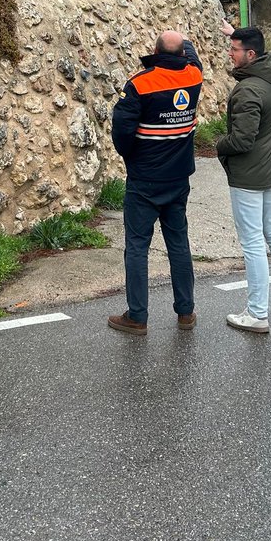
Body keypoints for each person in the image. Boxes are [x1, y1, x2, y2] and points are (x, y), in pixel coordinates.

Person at [107, 29, 203, 334]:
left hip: (145, 180)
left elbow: (121, 133)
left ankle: (137, 316)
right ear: (182, 55)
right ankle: (186, 312)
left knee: (137, 246)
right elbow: (194, 57)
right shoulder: (194, 77)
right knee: (178, 243)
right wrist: (184, 41)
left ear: (155, 51)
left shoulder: (139, 83)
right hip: (178, 178)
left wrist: (133, 159)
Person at [216, 22, 271, 332]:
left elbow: (241, 140)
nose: (229, 53)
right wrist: (233, 31)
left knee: (252, 243)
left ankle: (256, 313)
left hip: (248, 175)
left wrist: (217, 144)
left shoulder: (248, 90)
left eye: (234, 50)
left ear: (250, 54)